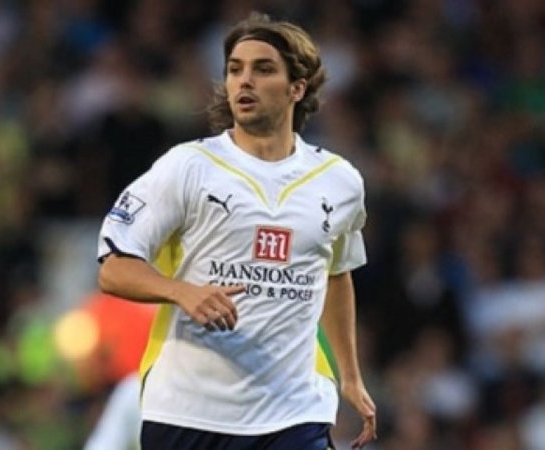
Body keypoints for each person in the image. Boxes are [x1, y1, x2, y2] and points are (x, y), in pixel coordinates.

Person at [97, 11, 377, 450]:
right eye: (234, 69)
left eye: (263, 69)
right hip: (188, 410)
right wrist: (181, 292)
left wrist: (351, 377)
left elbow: (337, 274)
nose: (244, 80)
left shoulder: (339, 181)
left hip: (294, 411)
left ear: (297, 88)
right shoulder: (187, 167)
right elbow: (113, 269)